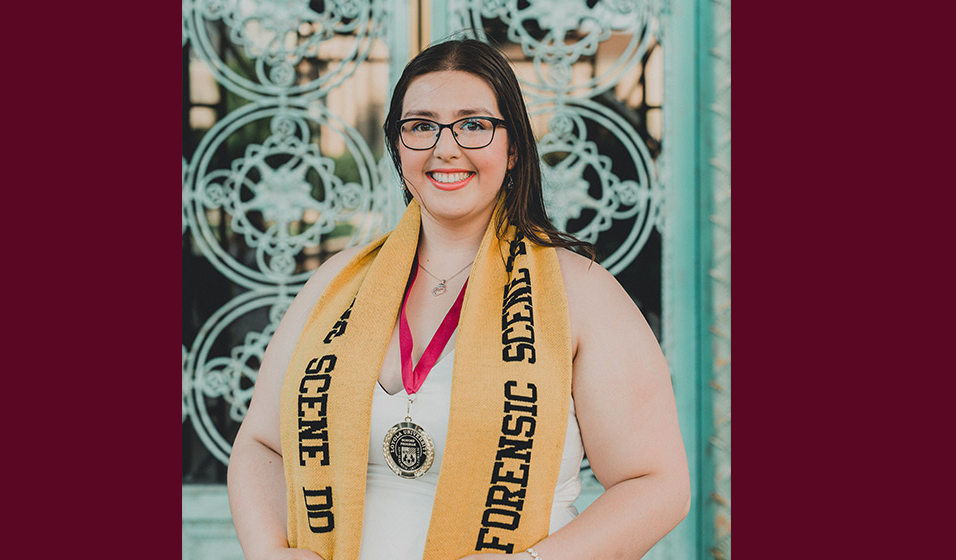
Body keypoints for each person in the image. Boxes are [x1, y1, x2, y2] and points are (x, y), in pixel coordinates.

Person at [228, 38, 690, 560]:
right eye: (421, 125)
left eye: (474, 124)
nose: (445, 147)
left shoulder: (579, 291)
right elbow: (261, 444)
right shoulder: (336, 284)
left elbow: (656, 484)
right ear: (399, 146)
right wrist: (270, 551)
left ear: (513, 147)